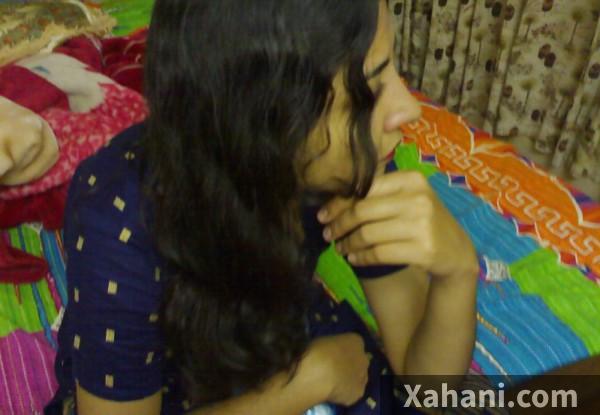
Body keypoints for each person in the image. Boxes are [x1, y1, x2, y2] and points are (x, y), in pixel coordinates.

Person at [47, 0, 479, 414]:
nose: (409, 110)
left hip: (273, 335)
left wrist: (457, 273)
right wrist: (311, 380)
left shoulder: (350, 162)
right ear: (271, 116)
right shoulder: (119, 219)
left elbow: (430, 393)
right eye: (367, 90)